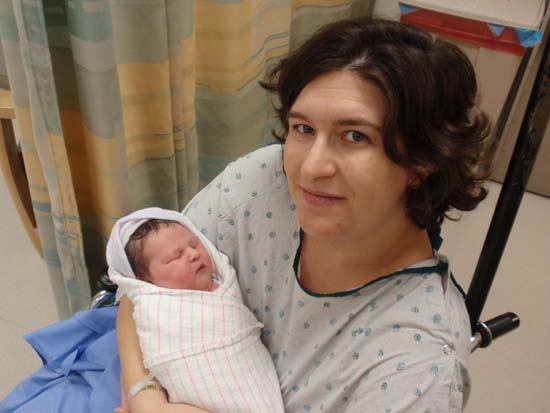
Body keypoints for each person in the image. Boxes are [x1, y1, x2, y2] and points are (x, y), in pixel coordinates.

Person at [117, 17, 492, 413]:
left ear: (424, 159)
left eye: (355, 136)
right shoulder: (260, 184)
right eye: (304, 128)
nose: (311, 167)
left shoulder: (418, 368)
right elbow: (139, 286)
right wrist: (145, 396)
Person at [106, 208, 284, 412]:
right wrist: (135, 396)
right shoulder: (151, 306)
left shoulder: (223, 283)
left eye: (194, 244)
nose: (193, 254)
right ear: (144, 280)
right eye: (175, 257)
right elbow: (137, 366)